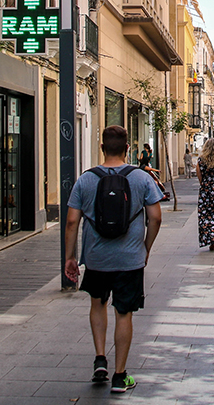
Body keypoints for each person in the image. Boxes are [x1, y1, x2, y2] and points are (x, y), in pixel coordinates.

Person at [63, 125, 164, 394]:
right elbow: (155, 217)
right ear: (128, 148)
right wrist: (146, 247)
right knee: (124, 312)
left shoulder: (85, 180)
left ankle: (100, 359)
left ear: (102, 148)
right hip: (130, 258)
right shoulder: (141, 178)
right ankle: (120, 376)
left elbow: (72, 221)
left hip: (96, 258)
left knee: (97, 304)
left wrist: (70, 258)